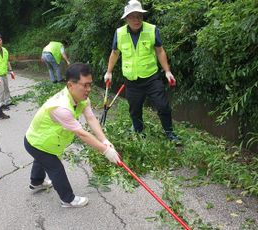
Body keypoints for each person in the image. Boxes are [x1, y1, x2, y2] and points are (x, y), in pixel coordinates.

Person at [24, 63, 120, 208]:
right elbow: (82, 133)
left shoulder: (82, 99)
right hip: (38, 142)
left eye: (90, 85)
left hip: (40, 140)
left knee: (41, 160)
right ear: (70, 85)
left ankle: (36, 182)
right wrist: (105, 150)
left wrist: (104, 140)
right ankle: (67, 199)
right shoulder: (61, 108)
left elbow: (91, 118)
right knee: (55, 168)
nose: (88, 90)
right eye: (85, 85)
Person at [104, 0, 180, 143]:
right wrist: (109, 72)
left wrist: (167, 71)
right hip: (131, 81)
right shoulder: (119, 33)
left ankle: (170, 133)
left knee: (163, 106)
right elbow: (115, 53)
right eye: (132, 16)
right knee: (135, 110)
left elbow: (160, 51)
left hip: (151, 78)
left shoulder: (151, 29)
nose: (136, 19)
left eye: (139, 16)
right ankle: (139, 133)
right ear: (126, 18)